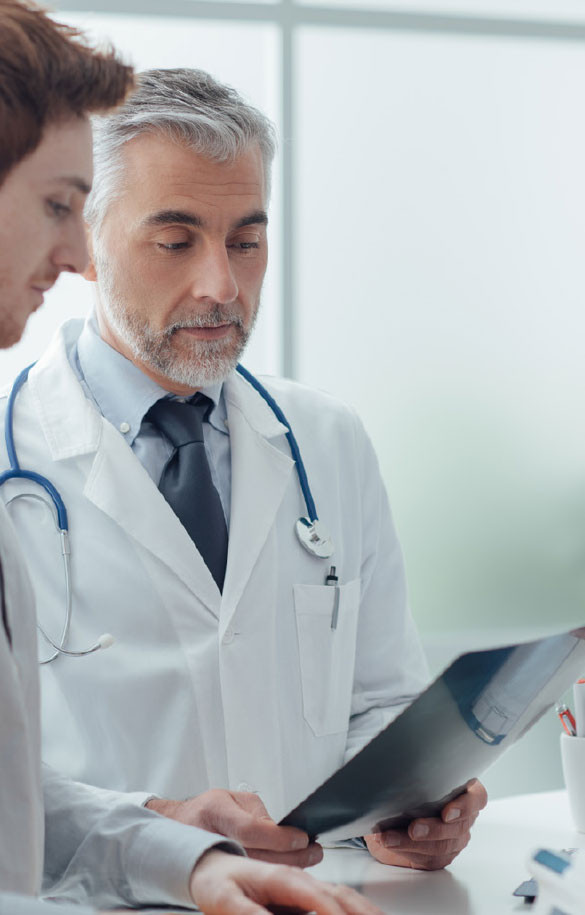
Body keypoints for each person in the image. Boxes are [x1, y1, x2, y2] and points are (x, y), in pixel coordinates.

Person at [0, 64, 487, 875]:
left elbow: (379, 698)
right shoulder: (15, 455)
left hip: (311, 892)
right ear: (86, 241)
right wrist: (159, 831)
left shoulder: (326, 439)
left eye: (246, 241)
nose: (221, 285)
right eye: (174, 241)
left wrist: (410, 800)